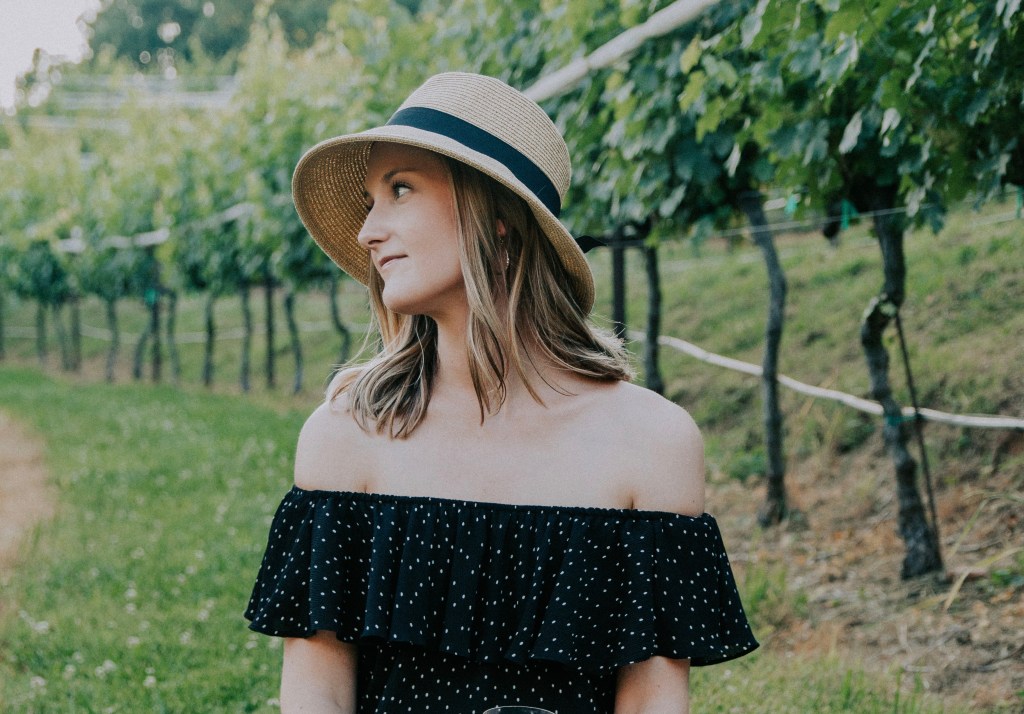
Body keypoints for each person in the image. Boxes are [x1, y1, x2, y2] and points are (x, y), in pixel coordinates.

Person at [246, 72, 757, 714]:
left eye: (400, 189)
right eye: (372, 200)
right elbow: (317, 688)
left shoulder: (653, 444)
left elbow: (653, 694)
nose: (367, 231)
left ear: (496, 218)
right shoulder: (347, 435)